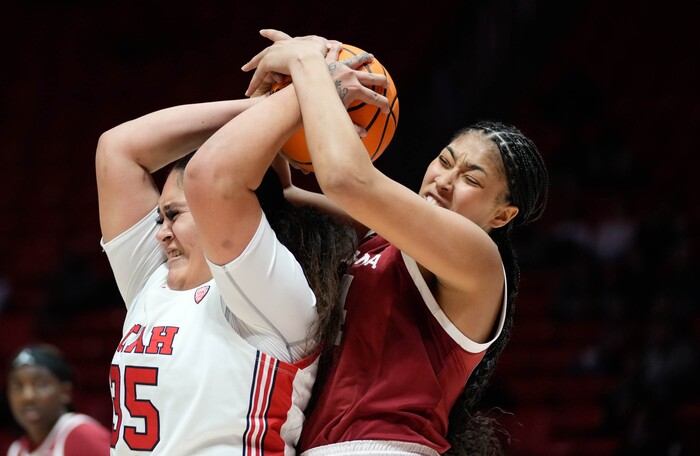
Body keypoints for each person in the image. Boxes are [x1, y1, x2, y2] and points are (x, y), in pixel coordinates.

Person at [241, 30, 549, 455]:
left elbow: (347, 179)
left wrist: (310, 64)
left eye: (471, 179)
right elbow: (279, 192)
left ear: (502, 215)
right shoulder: (376, 236)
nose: (444, 180)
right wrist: (281, 95)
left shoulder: (481, 261)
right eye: (444, 161)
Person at [96, 46, 385, 455]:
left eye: (173, 214)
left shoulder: (269, 295)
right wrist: (285, 98)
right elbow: (117, 149)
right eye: (159, 219)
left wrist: (313, 83)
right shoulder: (153, 282)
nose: (160, 233)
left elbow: (210, 178)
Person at [6, 343, 110, 455]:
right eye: (17, 386)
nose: (27, 396)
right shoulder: (16, 450)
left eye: (40, 384)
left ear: (65, 392)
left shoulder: (81, 434)